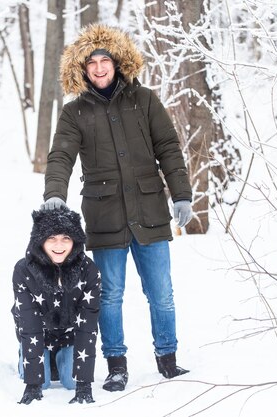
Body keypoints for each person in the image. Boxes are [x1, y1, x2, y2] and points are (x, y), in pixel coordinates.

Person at [41, 24, 193, 392]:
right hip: (105, 216)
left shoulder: (145, 101)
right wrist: (54, 192)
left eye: (104, 59)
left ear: (117, 62)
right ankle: (116, 365)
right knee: (109, 295)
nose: (98, 67)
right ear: (82, 68)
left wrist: (181, 193)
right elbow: (61, 154)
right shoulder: (75, 112)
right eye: (91, 62)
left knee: (162, 293)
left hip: (150, 212)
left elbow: (168, 148)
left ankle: (168, 359)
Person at [11, 207, 101, 404]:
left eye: (66, 238)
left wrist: (84, 384)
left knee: (70, 382)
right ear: (40, 241)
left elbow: (88, 327)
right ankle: (35, 360)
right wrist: (32, 384)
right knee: (41, 383)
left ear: (75, 242)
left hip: (70, 335)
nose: (59, 245)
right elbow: (29, 324)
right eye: (51, 238)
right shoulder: (23, 270)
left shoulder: (89, 271)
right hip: (38, 335)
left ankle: (60, 359)